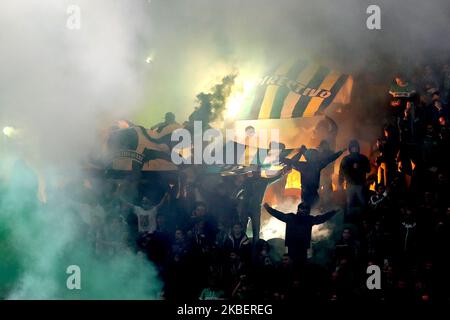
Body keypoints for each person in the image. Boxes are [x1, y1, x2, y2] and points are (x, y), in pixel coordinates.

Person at [263, 202, 339, 267]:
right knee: (292, 265)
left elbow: (321, 218)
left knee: (300, 266)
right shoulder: (293, 217)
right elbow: (279, 215)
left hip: (301, 248)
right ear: (298, 209)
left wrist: (333, 212)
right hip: (293, 247)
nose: (304, 211)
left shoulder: (307, 219)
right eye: (302, 209)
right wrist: (268, 208)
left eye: (305, 209)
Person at [339, 140, 371, 211]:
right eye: (353, 147)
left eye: (355, 147)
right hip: (350, 185)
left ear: (358, 148)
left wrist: (360, 167)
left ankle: (365, 218)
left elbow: (368, 169)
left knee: (363, 203)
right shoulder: (346, 159)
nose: (354, 149)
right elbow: (341, 171)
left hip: (360, 185)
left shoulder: (363, 158)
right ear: (350, 148)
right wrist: (340, 182)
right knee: (349, 203)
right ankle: (349, 218)